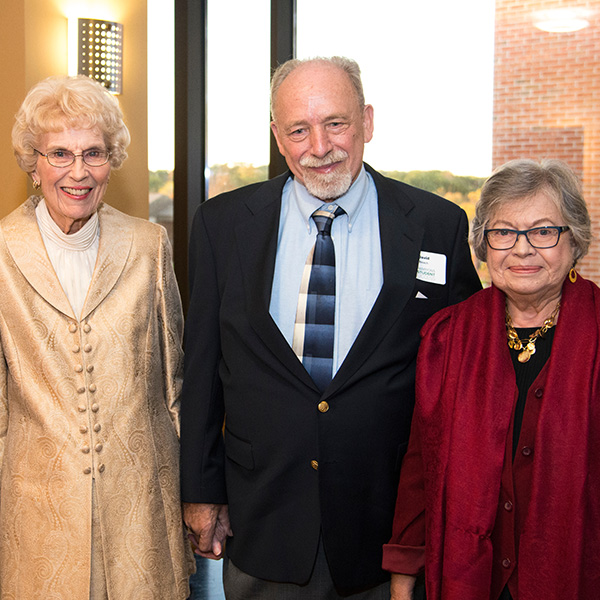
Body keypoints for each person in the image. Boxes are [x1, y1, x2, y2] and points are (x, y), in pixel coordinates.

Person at [180, 56, 481, 598]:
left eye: (336, 123)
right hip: (264, 517)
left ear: (367, 121)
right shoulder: (222, 225)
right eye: (299, 129)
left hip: (387, 525)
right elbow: (202, 370)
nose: (319, 147)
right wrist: (202, 492)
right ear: (278, 136)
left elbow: (465, 373)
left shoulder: (437, 225)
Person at [0, 75, 194, 599]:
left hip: (142, 517)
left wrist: (196, 501)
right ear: (32, 162)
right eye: (59, 154)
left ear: (113, 159)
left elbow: (177, 389)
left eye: (94, 153)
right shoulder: (1, 252)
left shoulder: (149, 244)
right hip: (37, 522)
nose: (78, 172)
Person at [383, 158, 600, 600]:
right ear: (483, 246)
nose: (522, 249)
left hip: (576, 576)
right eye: (503, 233)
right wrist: (404, 578)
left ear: (575, 240)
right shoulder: (448, 336)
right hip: (468, 579)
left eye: (543, 231)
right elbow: (421, 467)